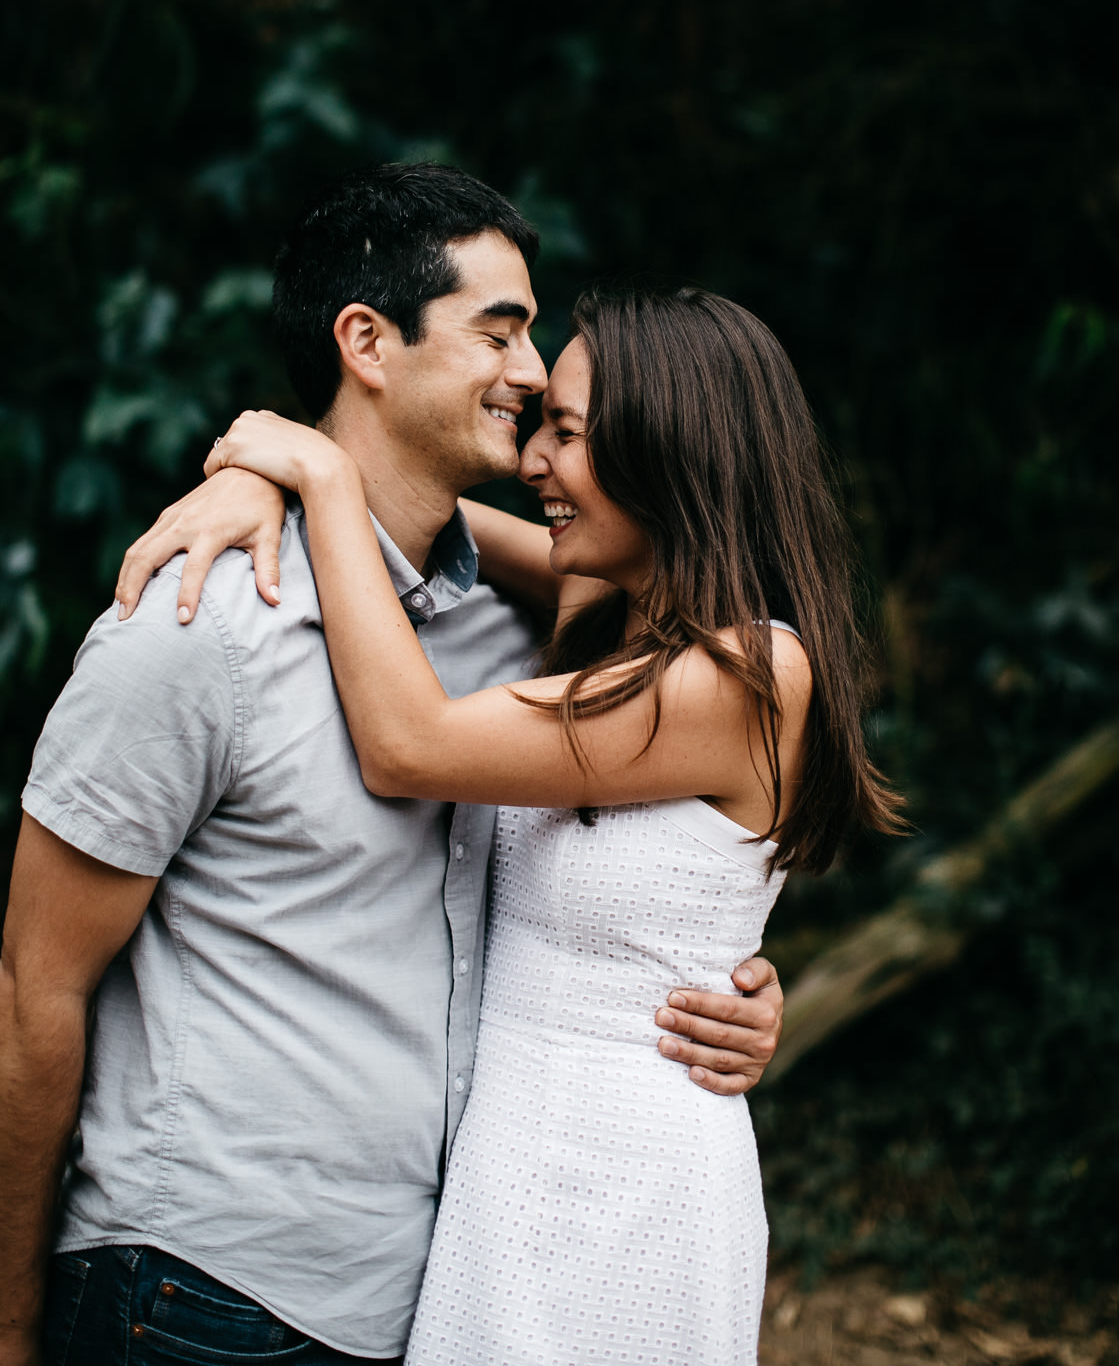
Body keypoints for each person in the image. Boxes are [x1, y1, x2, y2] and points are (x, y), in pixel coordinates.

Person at [0, 165, 783, 1366]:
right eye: (502, 331)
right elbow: (31, 990)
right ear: (365, 341)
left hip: (434, 1287)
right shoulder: (205, 621)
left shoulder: (524, 631)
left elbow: (652, 819)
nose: (530, 374)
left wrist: (722, 977)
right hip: (201, 1288)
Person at [119, 282, 904, 1364]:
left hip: (619, 1187)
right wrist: (274, 480)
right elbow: (427, 523)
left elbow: (413, 744)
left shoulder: (748, 670)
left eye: (568, 435)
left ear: (671, 454)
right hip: (510, 1166)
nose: (535, 461)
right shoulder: (617, 610)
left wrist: (319, 475)